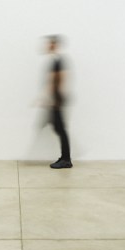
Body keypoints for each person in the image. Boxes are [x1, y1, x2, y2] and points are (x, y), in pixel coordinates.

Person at [43, 35, 72, 169]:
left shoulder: (58, 61)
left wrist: (55, 99)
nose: (48, 46)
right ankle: (65, 157)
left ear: (55, 45)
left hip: (57, 98)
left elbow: (59, 79)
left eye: (50, 44)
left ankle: (66, 159)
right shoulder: (56, 60)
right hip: (56, 98)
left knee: (60, 128)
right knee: (58, 127)